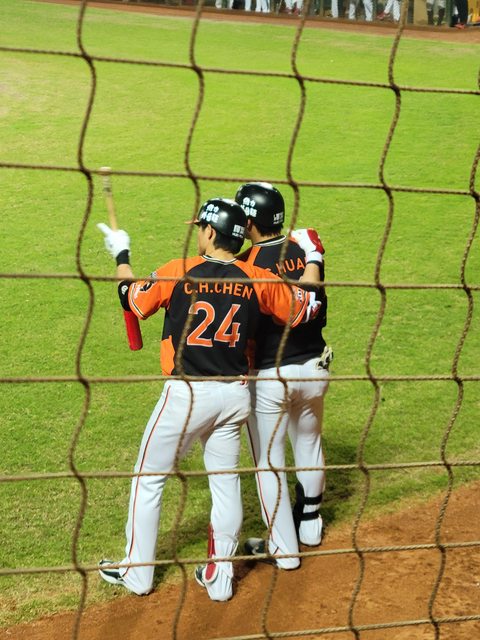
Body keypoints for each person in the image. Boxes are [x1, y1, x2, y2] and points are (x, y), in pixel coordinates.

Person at [96, 198, 322, 601]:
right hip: (235, 397)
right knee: (224, 482)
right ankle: (219, 580)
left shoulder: (179, 270)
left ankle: (138, 574)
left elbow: (133, 299)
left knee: (148, 478)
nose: (198, 232)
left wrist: (121, 255)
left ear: (211, 232)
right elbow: (305, 309)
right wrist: (313, 259)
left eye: (201, 227)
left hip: (186, 397)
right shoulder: (257, 277)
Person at [234, 183, 332, 571]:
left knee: (268, 462)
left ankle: (283, 549)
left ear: (249, 222)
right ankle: (310, 526)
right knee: (308, 441)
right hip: (315, 368)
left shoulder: (245, 265)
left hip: (271, 377)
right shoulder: (305, 249)